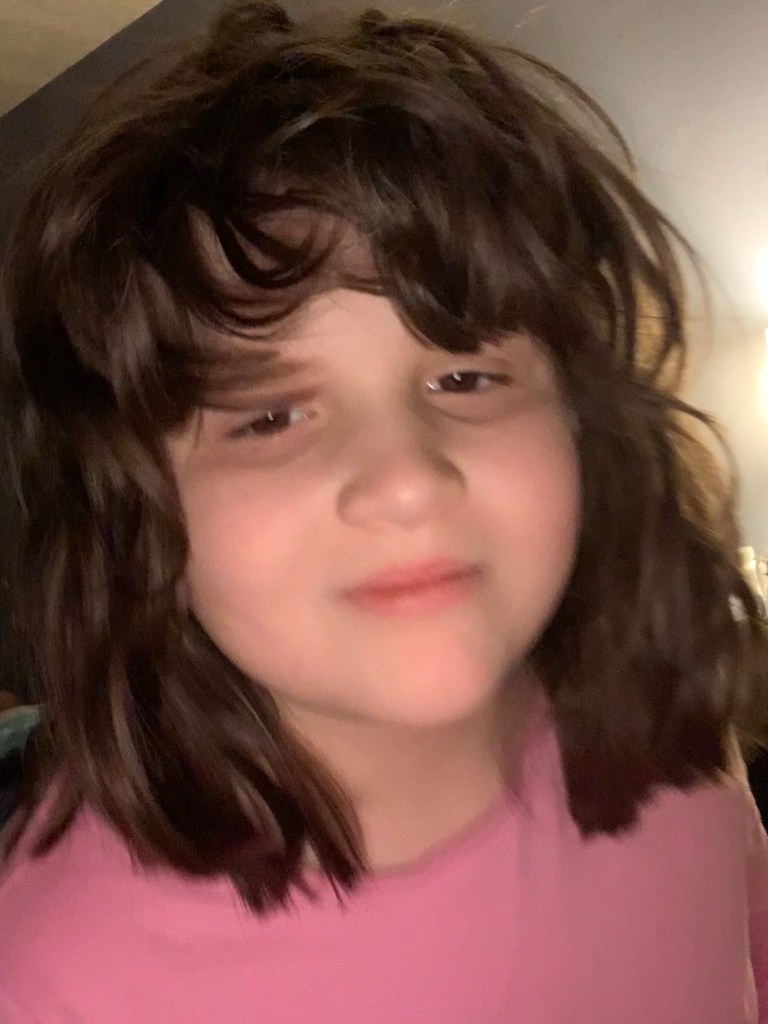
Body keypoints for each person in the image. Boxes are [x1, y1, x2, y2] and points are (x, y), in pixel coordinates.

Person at [0, 2, 767, 1021]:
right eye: (269, 416)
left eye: (465, 377)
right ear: (139, 510)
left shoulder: (678, 742)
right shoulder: (63, 980)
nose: (406, 480)